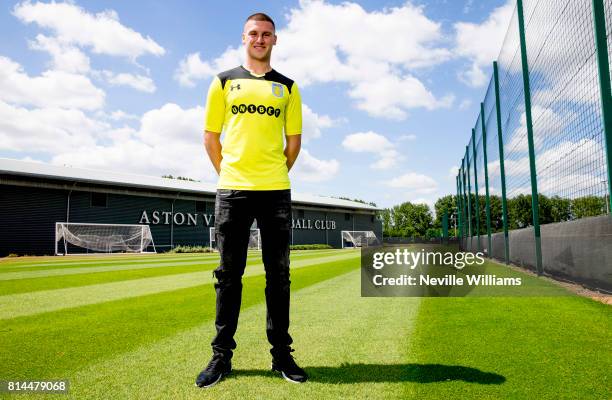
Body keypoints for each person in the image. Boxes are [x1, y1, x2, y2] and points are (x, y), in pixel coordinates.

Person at [195, 12, 307, 388]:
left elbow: (294, 143)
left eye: (267, 35)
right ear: (244, 38)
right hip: (233, 190)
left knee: (279, 276)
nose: (260, 39)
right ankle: (221, 357)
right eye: (254, 34)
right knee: (229, 276)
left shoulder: (288, 88)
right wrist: (230, 174)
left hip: (275, 190)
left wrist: (274, 173)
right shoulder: (223, 82)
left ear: (275, 40)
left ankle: (282, 356)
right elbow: (211, 137)